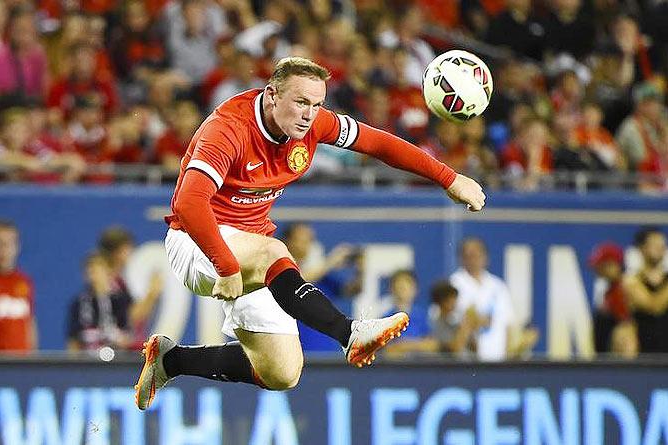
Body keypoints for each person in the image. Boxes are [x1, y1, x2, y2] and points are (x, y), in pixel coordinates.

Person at [134, 57, 486, 410]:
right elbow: (188, 204)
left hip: (251, 252)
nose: (309, 114)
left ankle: (170, 360)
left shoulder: (315, 125)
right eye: (301, 102)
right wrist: (225, 265)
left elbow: (378, 144)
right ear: (272, 96)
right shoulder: (229, 128)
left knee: (282, 372)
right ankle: (350, 333)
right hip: (197, 242)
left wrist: (449, 178)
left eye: (317, 104)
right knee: (274, 250)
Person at [450, 237, 538, 361]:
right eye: (469, 255)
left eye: (477, 255)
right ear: (461, 258)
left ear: (486, 257)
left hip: (497, 359)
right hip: (467, 361)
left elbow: (508, 324)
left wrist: (510, 354)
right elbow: (451, 322)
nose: (474, 259)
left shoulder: (498, 286)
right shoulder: (454, 284)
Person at [67, 252, 133, 351]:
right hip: (87, 359)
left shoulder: (120, 300)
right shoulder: (78, 303)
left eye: (97, 271)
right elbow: (73, 339)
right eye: (90, 272)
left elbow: (128, 335)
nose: (93, 276)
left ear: (108, 272)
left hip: (116, 358)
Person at [622, 227, 668, 354]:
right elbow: (653, 306)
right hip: (643, 352)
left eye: (663, 244)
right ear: (642, 248)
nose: (661, 248)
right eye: (655, 244)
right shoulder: (631, 280)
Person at [0, 220, 36, 352]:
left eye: (8, 244)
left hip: (20, 364)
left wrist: (32, 358)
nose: (3, 250)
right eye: (0, 243)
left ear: (17, 247)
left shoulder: (24, 281)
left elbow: (30, 323)